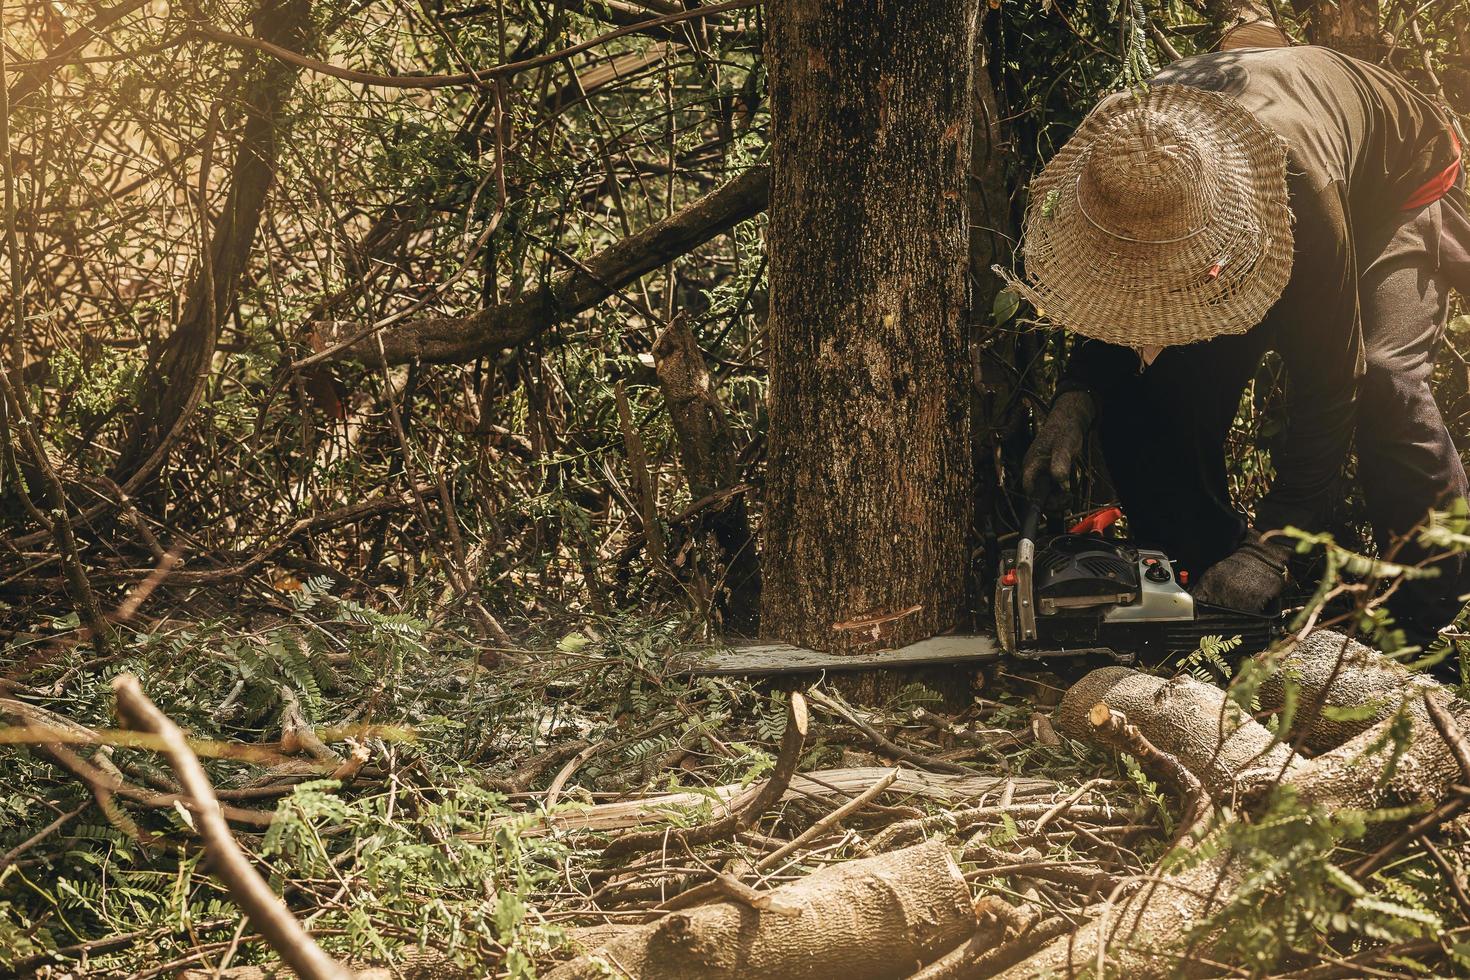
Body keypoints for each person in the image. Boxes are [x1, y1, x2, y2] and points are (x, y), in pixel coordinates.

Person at [1010, 45, 1470, 651]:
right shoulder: (1126, 153)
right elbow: (1125, 288)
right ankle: (1204, 576)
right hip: (1246, 191)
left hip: (1392, 187)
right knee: (1158, 389)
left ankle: (1421, 613)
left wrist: (1273, 548)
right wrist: (1080, 391)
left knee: (1386, 380)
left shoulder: (1299, 184)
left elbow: (1333, 385)